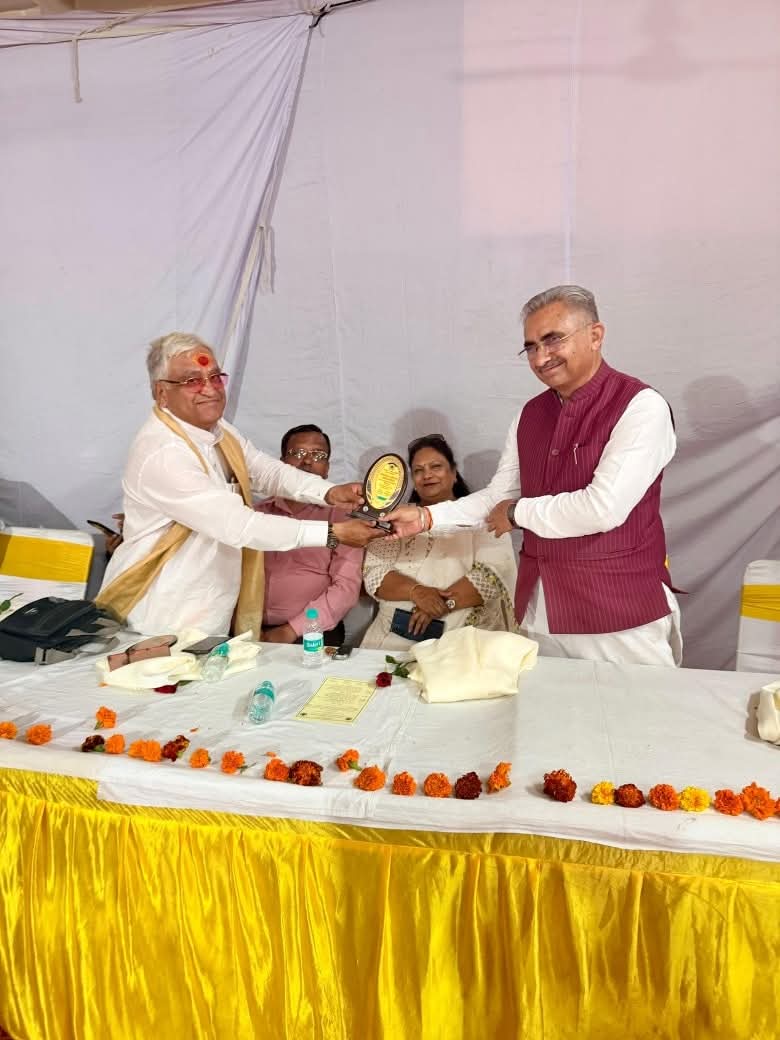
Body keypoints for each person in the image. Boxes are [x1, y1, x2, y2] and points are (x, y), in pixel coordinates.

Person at [386, 286, 682, 667]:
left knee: (637, 706)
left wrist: (516, 513)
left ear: (595, 335)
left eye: (553, 340)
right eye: (531, 347)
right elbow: (498, 496)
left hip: (619, 610)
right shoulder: (530, 415)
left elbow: (602, 508)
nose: (541, 358)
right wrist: (426, 517)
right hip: (542, 608)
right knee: (549, 705)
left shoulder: (640, 407)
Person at [97, 333, 382, 637]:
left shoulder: (216, 431)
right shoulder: (164, 453)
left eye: (215, 377)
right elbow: (240, 526)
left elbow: (263, 469)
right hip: (163, 612)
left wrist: (329, 492)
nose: (210, 389)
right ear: (161, 392)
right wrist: (332, 534)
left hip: (210, 610)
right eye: (192, 381)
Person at [360, 434, 517, 650]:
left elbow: (494, 573)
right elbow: (374, 573)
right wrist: (417, 592)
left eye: (436, 466)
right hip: (391, 635)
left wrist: (440, 604)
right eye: (418, 470)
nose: (427, 475)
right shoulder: (393, 518)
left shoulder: (483, 516)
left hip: (462, 639)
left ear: (453, 473)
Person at [255, 424, 362, 646]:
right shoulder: (255, 514)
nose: (307, 461)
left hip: (312, 632)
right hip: (247, 626)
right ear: (281, 463)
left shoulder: (343, 518)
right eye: (298, 453)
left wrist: (291, 630)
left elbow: (346, 588)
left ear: (327, 468)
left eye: (318, 455)